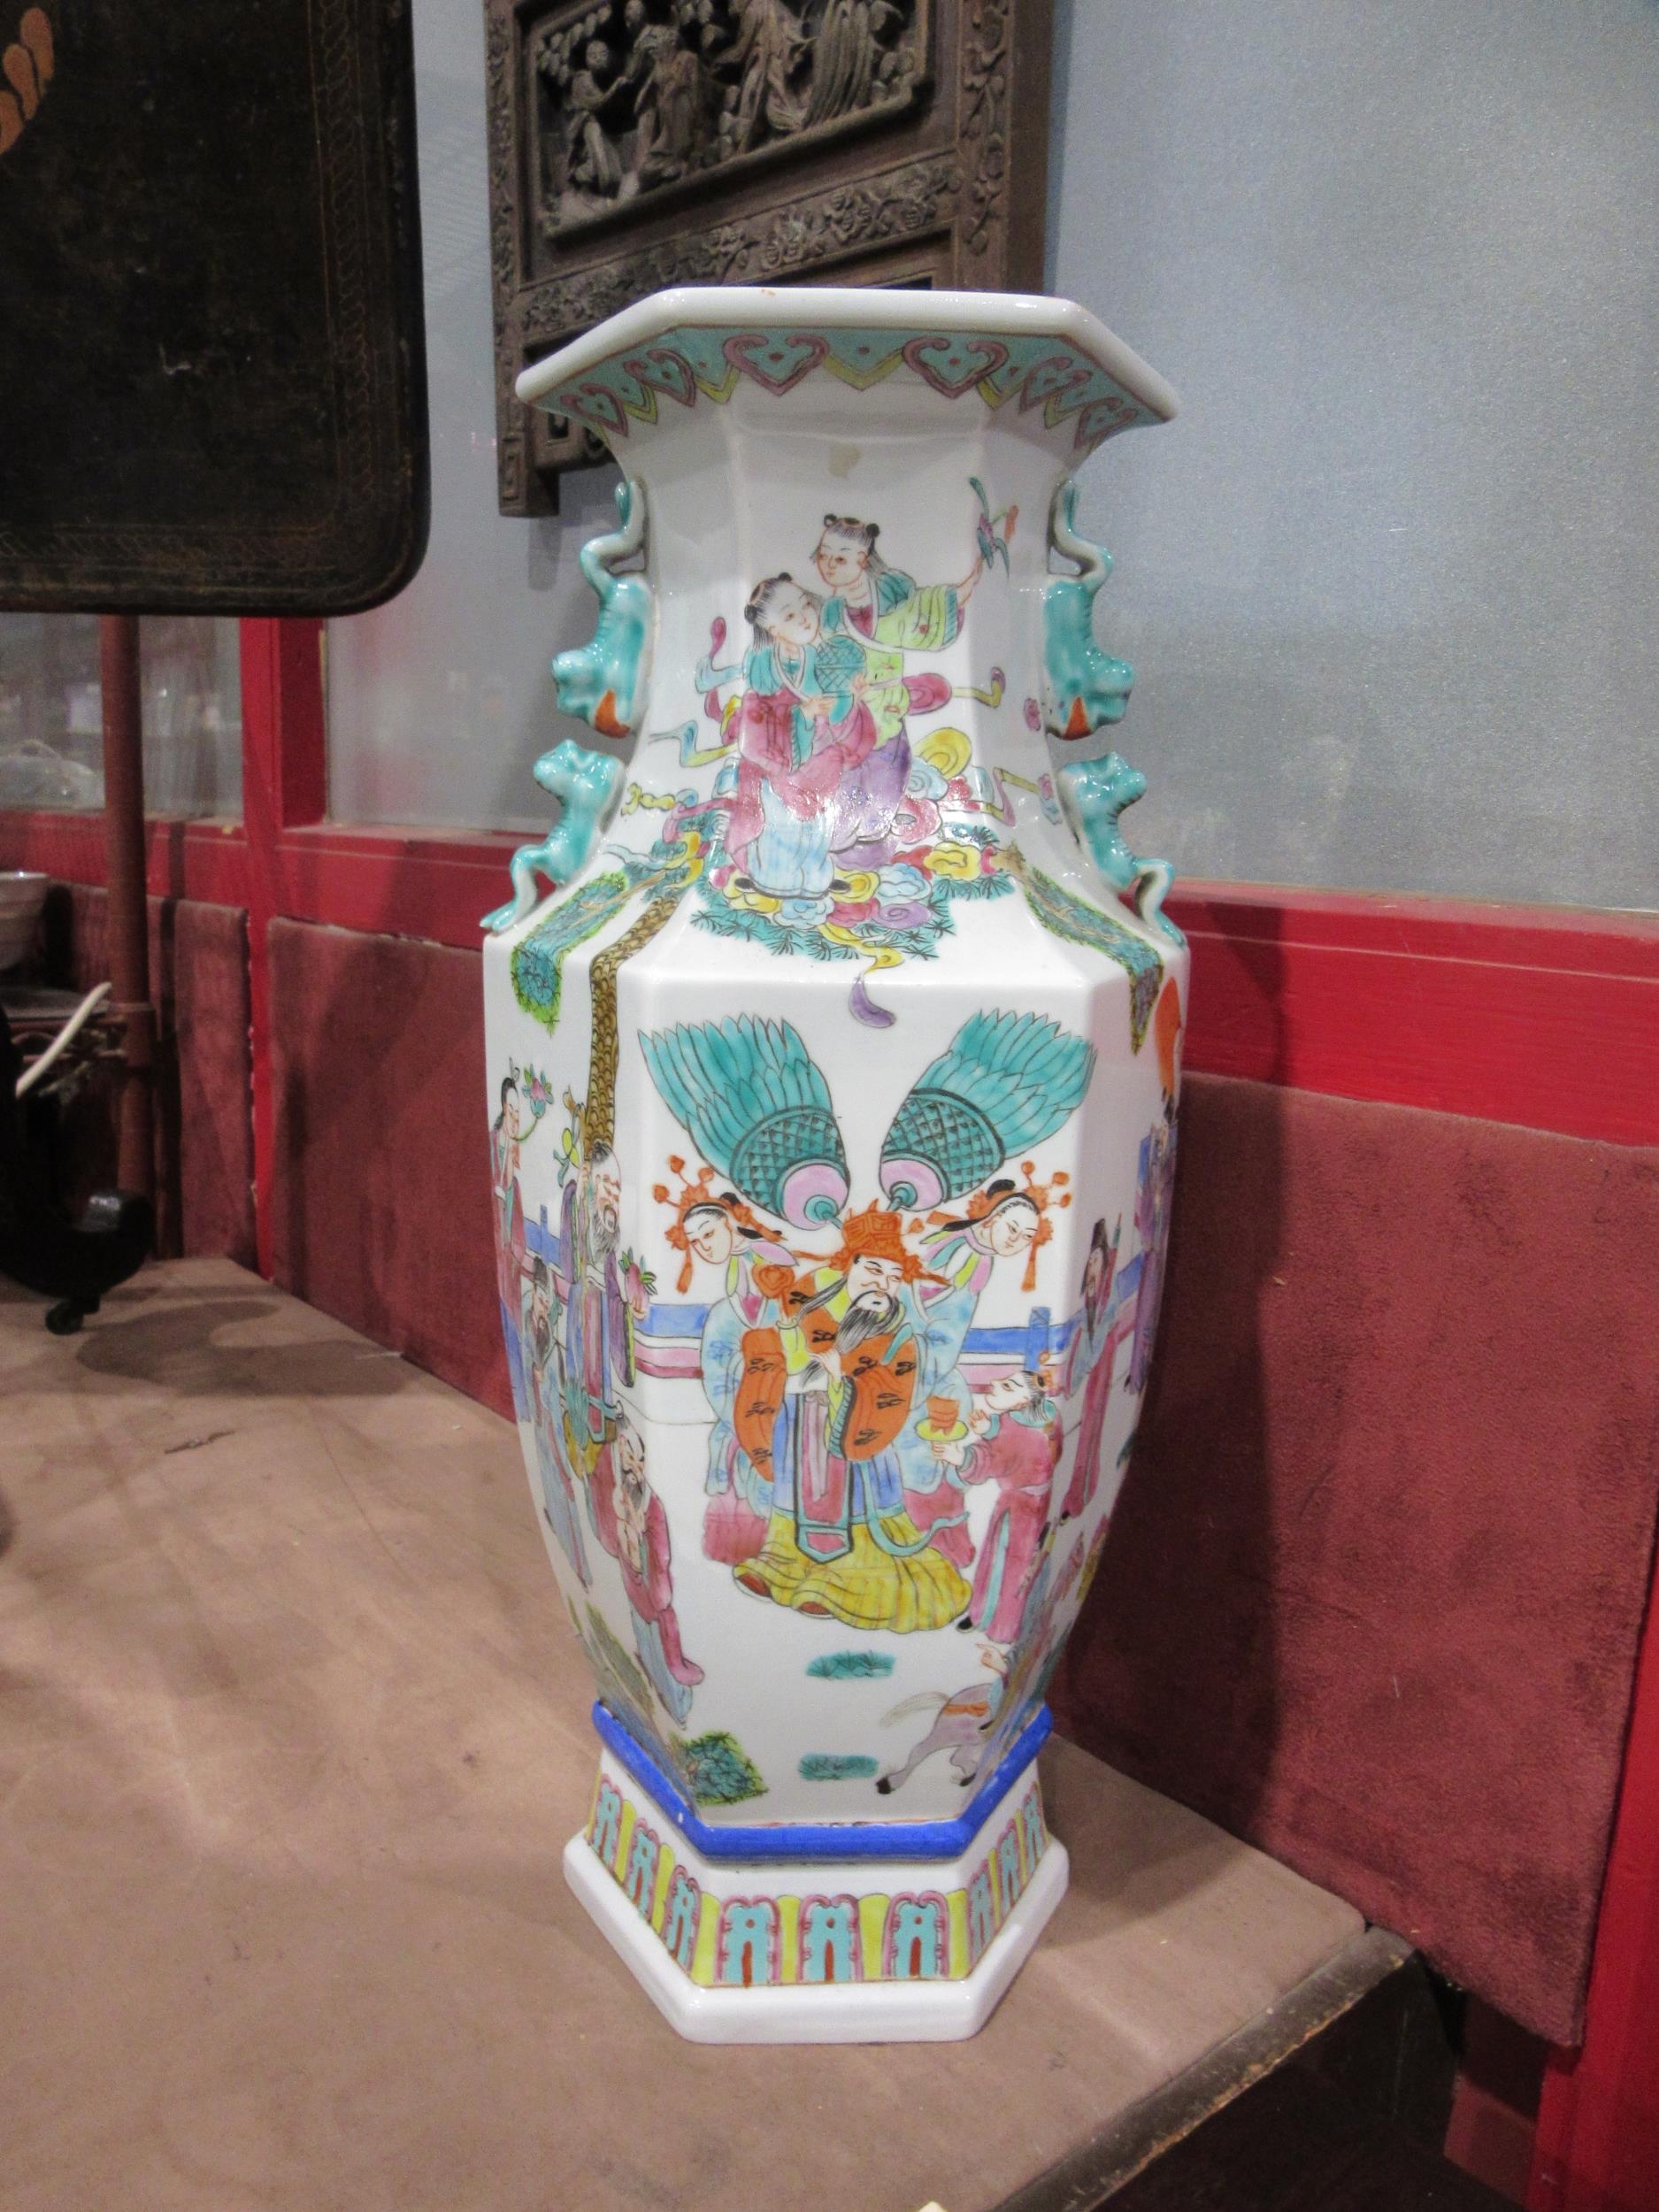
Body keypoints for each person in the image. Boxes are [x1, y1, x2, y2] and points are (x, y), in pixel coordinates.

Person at [732, 1203, 972, 1632]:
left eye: (893, 1277)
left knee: (857, 1501)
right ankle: (782, 1566)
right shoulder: (810, 1300)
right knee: (795, 1491)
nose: (882, 1283)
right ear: (850, 1264)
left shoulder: (893, 1326)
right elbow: (787, 1351)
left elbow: (894, 1381)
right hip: (801, 1419)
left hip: (857, 1428)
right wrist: (784, 1334)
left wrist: (845, 1376)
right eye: (873, 1270)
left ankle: (849, 1582)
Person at [812, 515, 985, 866]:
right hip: (845, 714)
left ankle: (871, 842)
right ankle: (838, 842)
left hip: (885, 709)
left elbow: (938, 606)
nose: (829, 566)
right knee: (846, 779)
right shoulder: (831, 612)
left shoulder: (892, 605)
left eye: (840, 558)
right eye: (823, 556)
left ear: (862, 560)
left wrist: (980, 565)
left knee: (888, 775)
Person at [726, 573, 876, 902]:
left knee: (820, 822)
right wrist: (802, 714)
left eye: (805, 605)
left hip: (818, 755)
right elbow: (759, 717)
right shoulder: (764, 667)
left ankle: (816, 880)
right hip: (781, 759)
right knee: (782, 822)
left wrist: (850, 697)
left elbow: (832, 712)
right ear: (773, 629)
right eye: (791, 616)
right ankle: (773, 880)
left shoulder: (813, 658)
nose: (805, 618)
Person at [934, 1371, 1062, 1643]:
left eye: (1007, 1386)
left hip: (1022, 1510)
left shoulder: (1024, 1433)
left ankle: (1001, 1625)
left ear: (1022, 1401)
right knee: (998, 1560)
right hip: (1023, 1503)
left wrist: (961, 1457)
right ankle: (982, 1614)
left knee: (1011, 1565)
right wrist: (990, 1429)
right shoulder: (1043, 1419)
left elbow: (994, 1460)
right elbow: (1004, 1442)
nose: (995, 1384)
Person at [612, 1417, 704, 1724]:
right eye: (631, 1456)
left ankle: (678, 1708)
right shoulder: (625, 1488)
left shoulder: (652, 1505)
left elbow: (660, 1555)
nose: (636, 1464)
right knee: (643, 1633)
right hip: (634, 1574)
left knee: (661, 1641)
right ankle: (654, 1686)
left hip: (652, 1582)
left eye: (640, 1458)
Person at [1060, 1217, 1133, 1521]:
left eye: (1097, 1259)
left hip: (1102, 1364)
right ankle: (1077, 1493)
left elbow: (1105, 1323)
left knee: (1093, 1425)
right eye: (1091, 1260)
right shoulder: (1091, 1293)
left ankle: (1083, 1491)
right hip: (1093, 1365)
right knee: (1087, 1430)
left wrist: (1090, 1351)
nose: (1092, 1264)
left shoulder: (1105, 1291)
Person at [526, 1258, 589, 1586]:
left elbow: (559, 1385)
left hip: (552, 1417)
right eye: (542, 1297)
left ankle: (579, 1564)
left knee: (564, 1481)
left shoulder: (550, 1339)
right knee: (549, 1474)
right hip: (542, 1420)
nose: (545, 1304)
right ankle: (562, 1537)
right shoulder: (531, 1328)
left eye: (549, 1300)